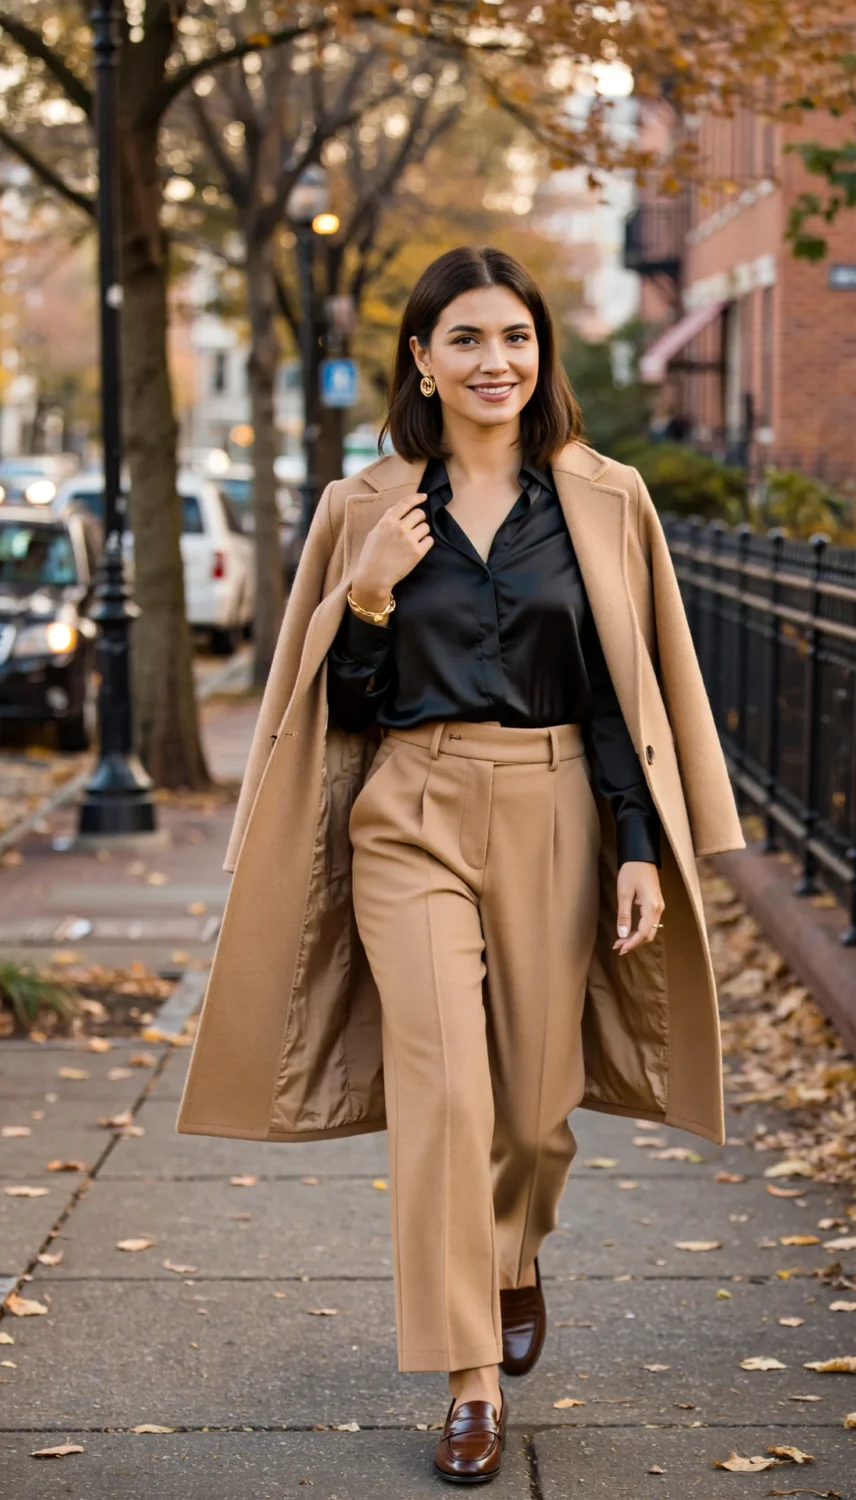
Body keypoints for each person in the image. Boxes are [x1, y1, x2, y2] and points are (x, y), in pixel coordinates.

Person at [175, 246, 745, 1488]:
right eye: (469, 341)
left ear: (540, 356)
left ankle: (515, 1249)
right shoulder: (359, 506)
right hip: (411, 809)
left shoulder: (601, 497)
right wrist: (366, 599)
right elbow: (334, 708)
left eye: (518, 339)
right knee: (442, 1090)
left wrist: (637, 849)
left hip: (556, 808)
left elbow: (617, 692)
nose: (499, 363)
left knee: (535, 1110)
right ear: (421, 361)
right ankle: (469, 1377)